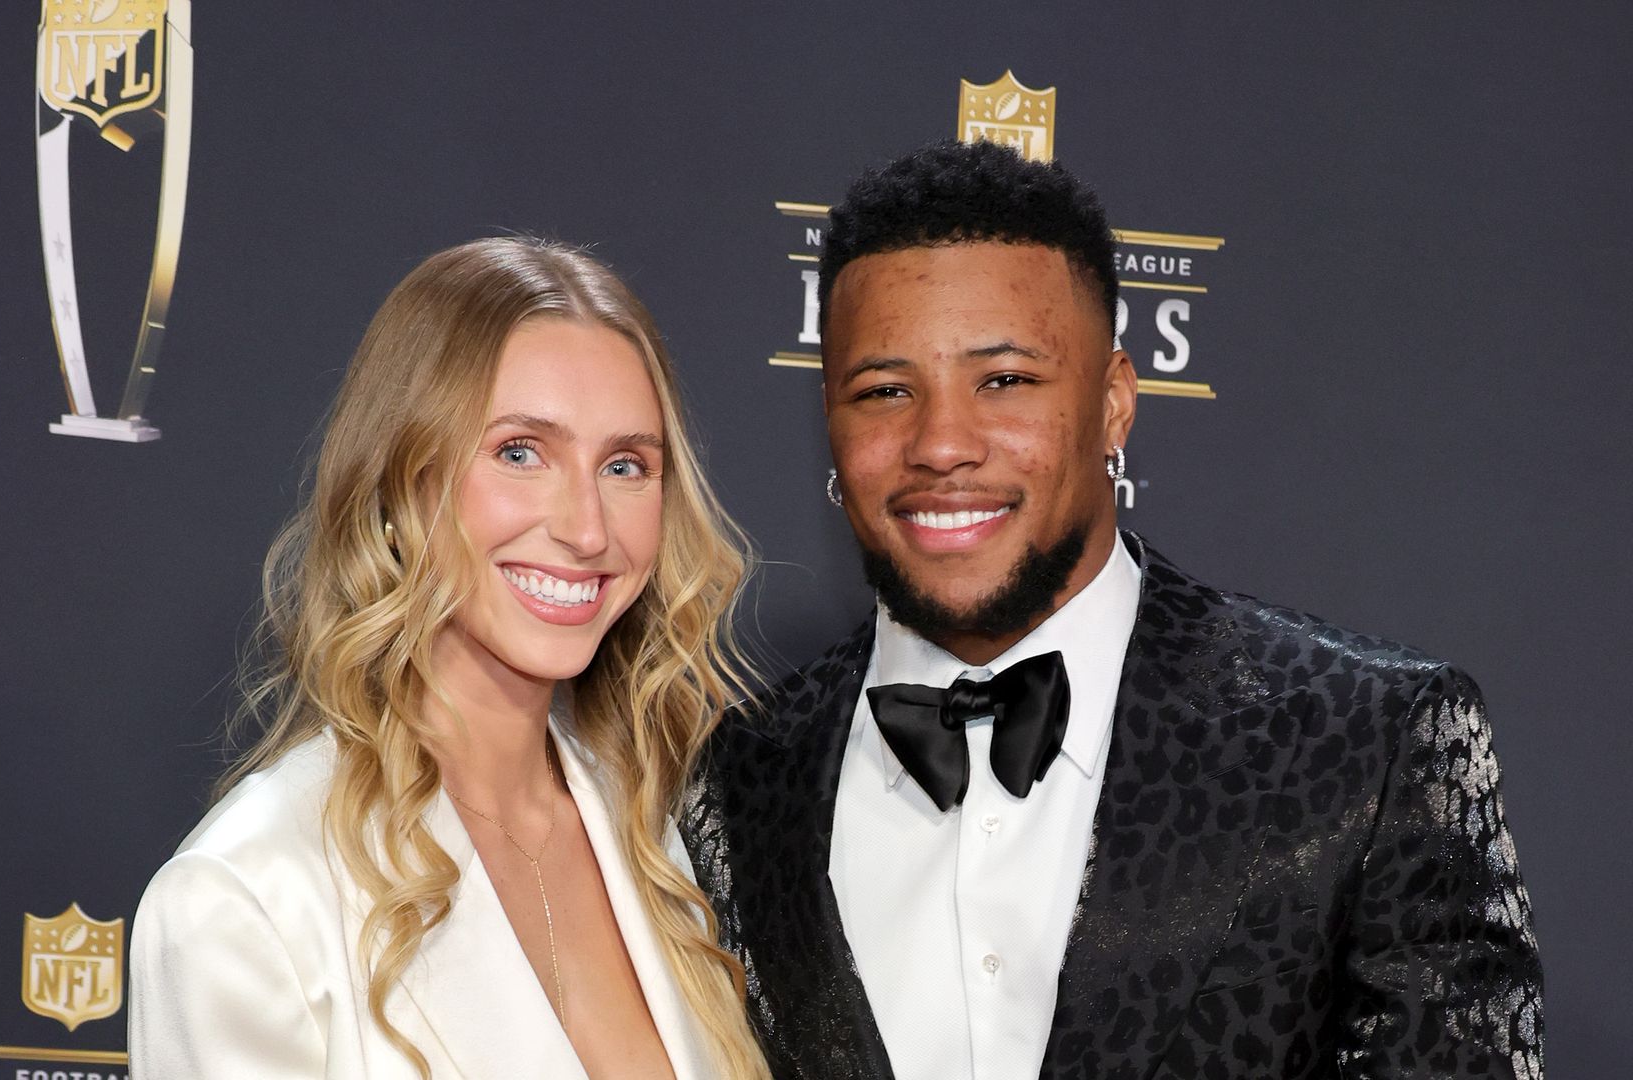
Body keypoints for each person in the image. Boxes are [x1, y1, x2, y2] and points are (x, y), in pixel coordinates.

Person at [682, 141, 1546, 1080]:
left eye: (1005, 380)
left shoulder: (1369, 744)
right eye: (885, 391)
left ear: (1116, 404)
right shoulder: (729, 785)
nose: (940, 444)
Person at [130, 237, 770, 1080]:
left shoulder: (667, 841)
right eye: (519, 452)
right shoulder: (246, 901)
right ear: (400, 482)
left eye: (625, 465)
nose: (586, 528)